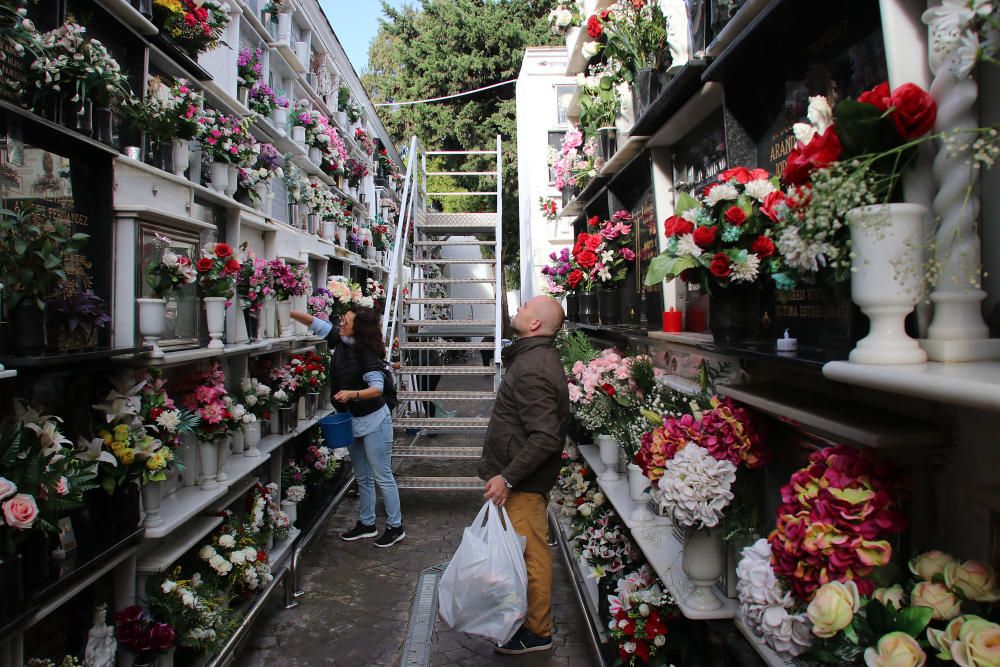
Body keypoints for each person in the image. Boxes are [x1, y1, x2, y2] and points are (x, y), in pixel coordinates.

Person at [478, 295, 569, 655]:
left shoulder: (532, 367)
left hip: (524, 484)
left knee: (531, 556)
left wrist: (508, 477)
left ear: (534, 325)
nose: (518, 309)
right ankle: (529, 621)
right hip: (522, 479)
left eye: (524, 306)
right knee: (526, 553)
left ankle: (537, 632)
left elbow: (545, 436)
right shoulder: (532, 358)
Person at [291, 307, 405, 547]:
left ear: (359, 328)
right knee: (362, 475)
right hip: (353, 419)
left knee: (382, 475)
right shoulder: (340, 338)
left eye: (346, 320)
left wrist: (352, 394)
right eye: (342, 319)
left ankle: (396, 526)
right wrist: (284, 308)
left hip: (375, 419)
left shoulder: (367, 353)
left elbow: (377, 389)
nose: (340, 322)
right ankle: (367, 523)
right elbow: (313, 321)